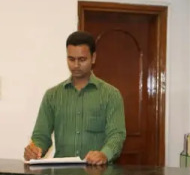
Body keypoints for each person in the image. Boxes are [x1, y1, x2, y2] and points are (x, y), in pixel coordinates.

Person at [23, 31, 126, 165]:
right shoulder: (52, 96)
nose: (76, 65)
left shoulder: (110, 95)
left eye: (82, 60)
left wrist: (105, 154)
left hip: (98, 173)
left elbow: (117, 135)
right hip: (61, 174)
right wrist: (35, 149)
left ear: (93, 58)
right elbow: (41, 136)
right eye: (71, 59)